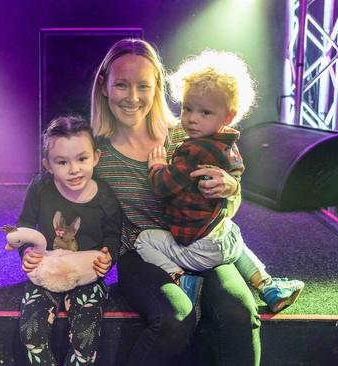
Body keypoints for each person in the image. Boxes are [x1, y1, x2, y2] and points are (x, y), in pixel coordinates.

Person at [89, 38, 259, 366]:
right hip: (142, 255)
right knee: (175, 319)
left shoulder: (187, 136)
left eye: (143, 86)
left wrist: (231, 188)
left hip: (199, 242)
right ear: (104, 86)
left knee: (239, 312)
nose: (133, 97)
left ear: (157, 88)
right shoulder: (97, 155)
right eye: (122, 85)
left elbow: (227, 208)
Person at [138, 50, 304, 316]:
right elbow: (237, 174)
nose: (191, 118)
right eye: (187, 108)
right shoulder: (228, 143)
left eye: (205, 112)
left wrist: (157, 167)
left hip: (196, 245)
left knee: (143, 241)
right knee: (230, 230)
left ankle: (182, 280)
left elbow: (163, 186)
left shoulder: (193, 149)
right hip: (222, 238)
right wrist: (234, 185)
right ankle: (268, 285)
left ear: (228, 116)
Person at [16, 116, 122, 366]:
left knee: (85, 338)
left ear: (96, 157)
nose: (74, 169)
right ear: (48, 165)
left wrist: (108, 256)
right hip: (47, 270)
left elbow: (113, 235)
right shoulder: (40, 188)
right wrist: (27, 252)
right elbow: (25, 227)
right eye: (62, 162)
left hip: (87, 276)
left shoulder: (105, 196)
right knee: (31, 332)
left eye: (82, 159)